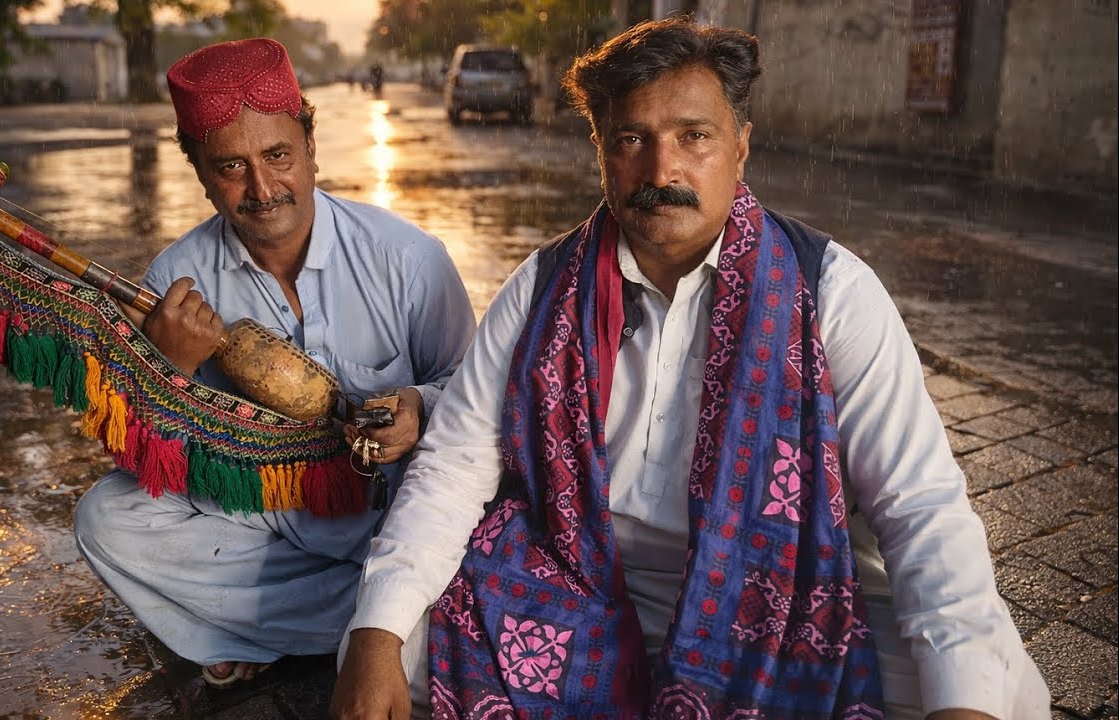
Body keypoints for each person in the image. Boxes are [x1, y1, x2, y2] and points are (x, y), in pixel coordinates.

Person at [331, 16, 1049, 720]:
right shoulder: (545, 284)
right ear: (601, 152)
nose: (660, 169)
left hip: (775, 599)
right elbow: (455, 463)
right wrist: (375, 636)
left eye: (693, 137)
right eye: (631, 140)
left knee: (997, 693)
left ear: (740, 147)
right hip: (576, 582)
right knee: (383, 647)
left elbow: (919, 507)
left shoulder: (829, 289)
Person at [72, 37, 475, 690]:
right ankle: (373, 630)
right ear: (200, 174)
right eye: (230, 167)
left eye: (278, 155)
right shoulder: (175, 280)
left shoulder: (407, 258)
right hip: (259, 514)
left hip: (392, 521)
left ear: (311, 146)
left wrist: (419, 409)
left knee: (488, 535)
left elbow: (477, 403)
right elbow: (137, 453)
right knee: (107, 519)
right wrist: (164, 372)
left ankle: (267, 631)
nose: (262, 189)